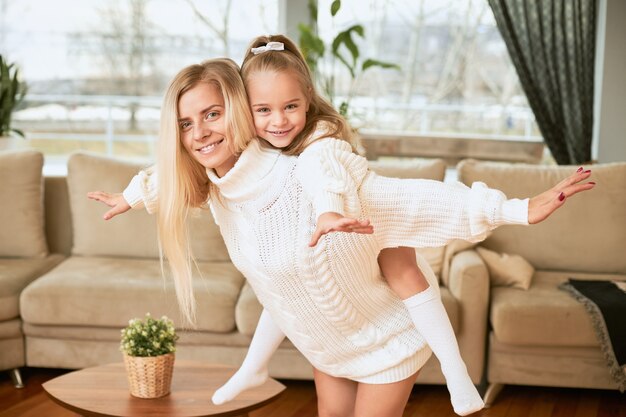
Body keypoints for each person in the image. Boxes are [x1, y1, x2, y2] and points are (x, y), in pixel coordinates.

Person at [88, 57, 594, 417]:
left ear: (240, 109)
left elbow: (416, 199)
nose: (198, 132)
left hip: (386, 339)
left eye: (212, 114)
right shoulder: (218, 190)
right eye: (185, 123)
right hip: (326, 341)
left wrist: (518, 209)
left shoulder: (315, 172)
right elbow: (169, 176)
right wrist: (132, 196)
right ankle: (253, 368)